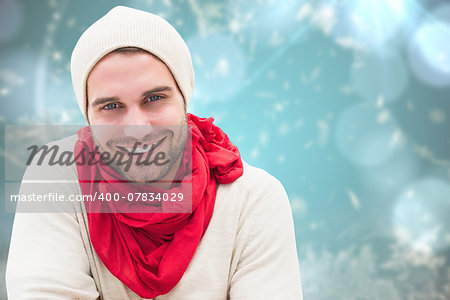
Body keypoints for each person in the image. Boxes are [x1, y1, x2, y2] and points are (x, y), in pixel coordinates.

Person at [6, 6, 303, 299]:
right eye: (111, 106)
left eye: (154, 98)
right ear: (88, 116)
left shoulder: (253, 199)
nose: (136, 128)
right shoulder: (54, 178)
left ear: (184, 100)